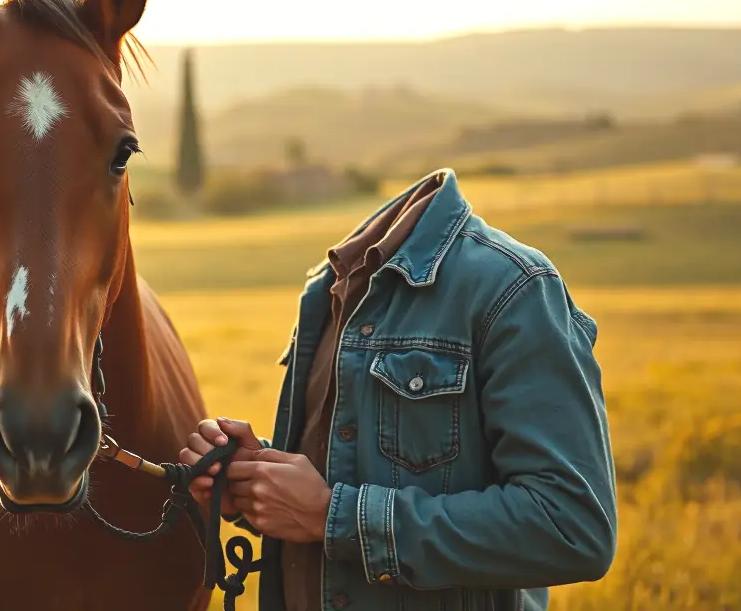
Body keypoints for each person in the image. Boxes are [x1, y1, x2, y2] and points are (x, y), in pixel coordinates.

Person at [180, 169, 617, 611]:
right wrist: (250, 478)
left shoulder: (512, 287)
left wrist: (334, 515)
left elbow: (572, 527)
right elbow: (342, 482)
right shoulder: (330, 289)